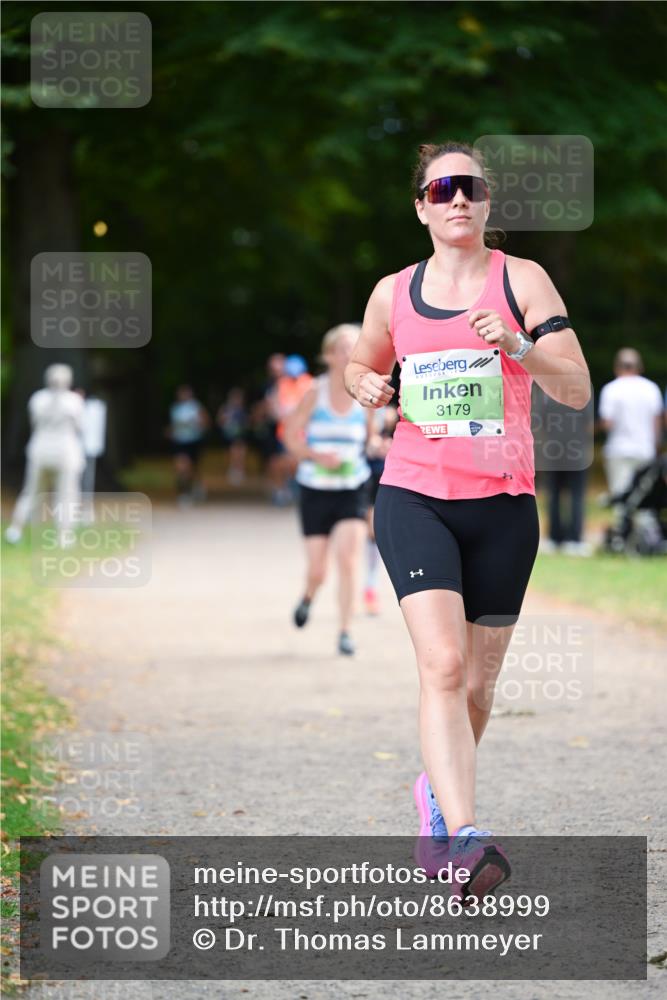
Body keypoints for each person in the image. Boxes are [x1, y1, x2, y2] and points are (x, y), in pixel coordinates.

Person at [343, 141, 591, 897]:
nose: (457, 199)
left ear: (486, 203)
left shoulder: (521, 279)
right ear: (419, 205)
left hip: (504, 506)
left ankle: (433, 800)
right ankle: (465, 839)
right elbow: (359, 363)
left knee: (477, 689)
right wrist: (365, 386)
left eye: (470, 187)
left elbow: (577, 390)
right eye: (441, 188)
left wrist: (517, 344)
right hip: (414, 494)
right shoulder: (393, 291)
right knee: (442, 668)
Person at [285, 325, 372, 656]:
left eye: (355, 346)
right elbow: (291, 435)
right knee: (319, 569)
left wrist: (381, 444)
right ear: (329, 355)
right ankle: (308, 594)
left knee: (349, 560)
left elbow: (371, 438)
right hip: (315, 489)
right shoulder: (314, 393)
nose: (349, 353)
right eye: (342, 348)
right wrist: (314, 455)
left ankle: (346, 630)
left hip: (352, 488)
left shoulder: (365, 394)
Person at [5, 364, 85, 547]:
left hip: (40, 450)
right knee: (66, 495)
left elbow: (34, 423)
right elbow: (80, 427)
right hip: (65, 451)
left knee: (31, 492)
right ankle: (64, 537)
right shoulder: (74, 401)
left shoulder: (37, 399)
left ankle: (15, 530)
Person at [598, 348, 663, 496]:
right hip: (645, 450)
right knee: (644, 498)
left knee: (621, 497)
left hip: (618, 449)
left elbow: (608, 423)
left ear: (617, 366)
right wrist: (656, 446)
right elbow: (656, 422)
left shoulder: (611, 389)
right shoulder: (651, 388)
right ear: (639, 366)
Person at [364, 403, 398, 613]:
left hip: (379, 477)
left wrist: (388, 446)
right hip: (357, 477)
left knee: (372, 532)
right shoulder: (355, 410)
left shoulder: (391, 413)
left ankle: (370, 586)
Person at [266, 354, 313, 506]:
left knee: (299, 462)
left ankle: (297, 486)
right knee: (282, 462)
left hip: (305, 433)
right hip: (285, 433)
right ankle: (284, 489)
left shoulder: (309, 383)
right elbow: (275, 408)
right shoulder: (281, 384)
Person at [166, 385, 209, 506]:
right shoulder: (175, 408)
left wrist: (198, 423)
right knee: (181, 467)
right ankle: (184, 493)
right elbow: (173, 426)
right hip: (179, 441)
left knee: (193, 468)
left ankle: (196, 485)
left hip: (193, 441)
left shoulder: (196, 407)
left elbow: (205, 422)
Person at [74, 387, 108, 524]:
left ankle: (85, 510)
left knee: (86, 480)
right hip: (71, 451)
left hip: (86, 450)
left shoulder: (92, 410)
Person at [216, 387, 248, 486]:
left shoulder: (242, 409)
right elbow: (219, 421)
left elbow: (247, 423)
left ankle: (239, 469)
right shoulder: (225, 409)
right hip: (229, 435)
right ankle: (234, 468)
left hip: (240, 435)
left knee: (241, 451)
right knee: (234, 451)